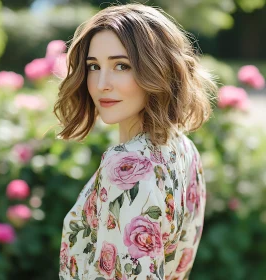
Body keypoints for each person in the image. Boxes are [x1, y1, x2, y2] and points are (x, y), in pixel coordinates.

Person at [53, 3, 218, 280]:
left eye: (121, 65)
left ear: (157, 69)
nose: (102, 83)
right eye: (94, 66)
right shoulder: (182, 147)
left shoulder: (125, 168)